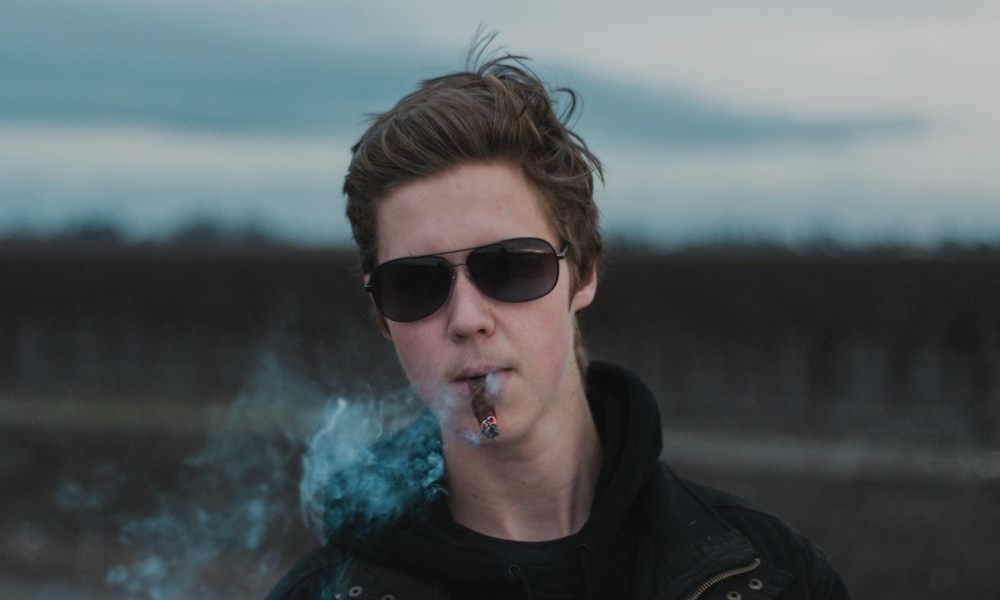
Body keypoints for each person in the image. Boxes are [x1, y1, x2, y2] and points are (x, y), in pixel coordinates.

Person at [266, 42, 849, 599]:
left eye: (510, 267)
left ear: (585, 272)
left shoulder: (775, 576)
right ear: (381, 312)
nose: (467, 319)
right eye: (415, 283)